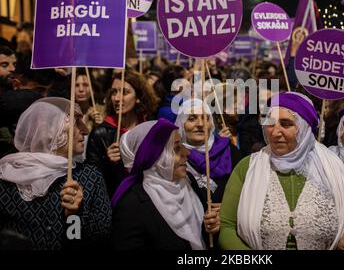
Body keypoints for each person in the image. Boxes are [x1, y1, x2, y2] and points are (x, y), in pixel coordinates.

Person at [219, 92, 344, 250]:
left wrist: (343, 238)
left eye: (286, 123)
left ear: (304, 127)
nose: (275, 133)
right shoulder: (248, 167)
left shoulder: (334, 168)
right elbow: (227, 227)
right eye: (271, 123)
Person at [0, 98, 111, 249]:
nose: (85, 130)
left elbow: (96, 240)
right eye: (76, 122)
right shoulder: (5, 175)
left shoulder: (89, 176)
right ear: (50, 129)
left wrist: (74, 216)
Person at [111, 119, 220, 250]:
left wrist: (214, 227)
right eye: (176, 148)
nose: (187, 152)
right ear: (155, 158)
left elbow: (203, 235)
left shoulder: (188, 181)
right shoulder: (131, 206)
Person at [86, 70, 157, 198]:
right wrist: (108, 162)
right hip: (117, 200)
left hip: (149, 199)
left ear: (138, 98)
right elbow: (92, 180)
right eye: (114, 92)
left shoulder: (150, 128)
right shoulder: (100, 134)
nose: (117, 98)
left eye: (125, 92)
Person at [175, 98, 241, 205]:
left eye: (206, 118)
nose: (200, 124)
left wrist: (227, 210)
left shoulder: (228, 149)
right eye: (192, 118)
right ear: (181, 124)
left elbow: (243, 189)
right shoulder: (176, 157)